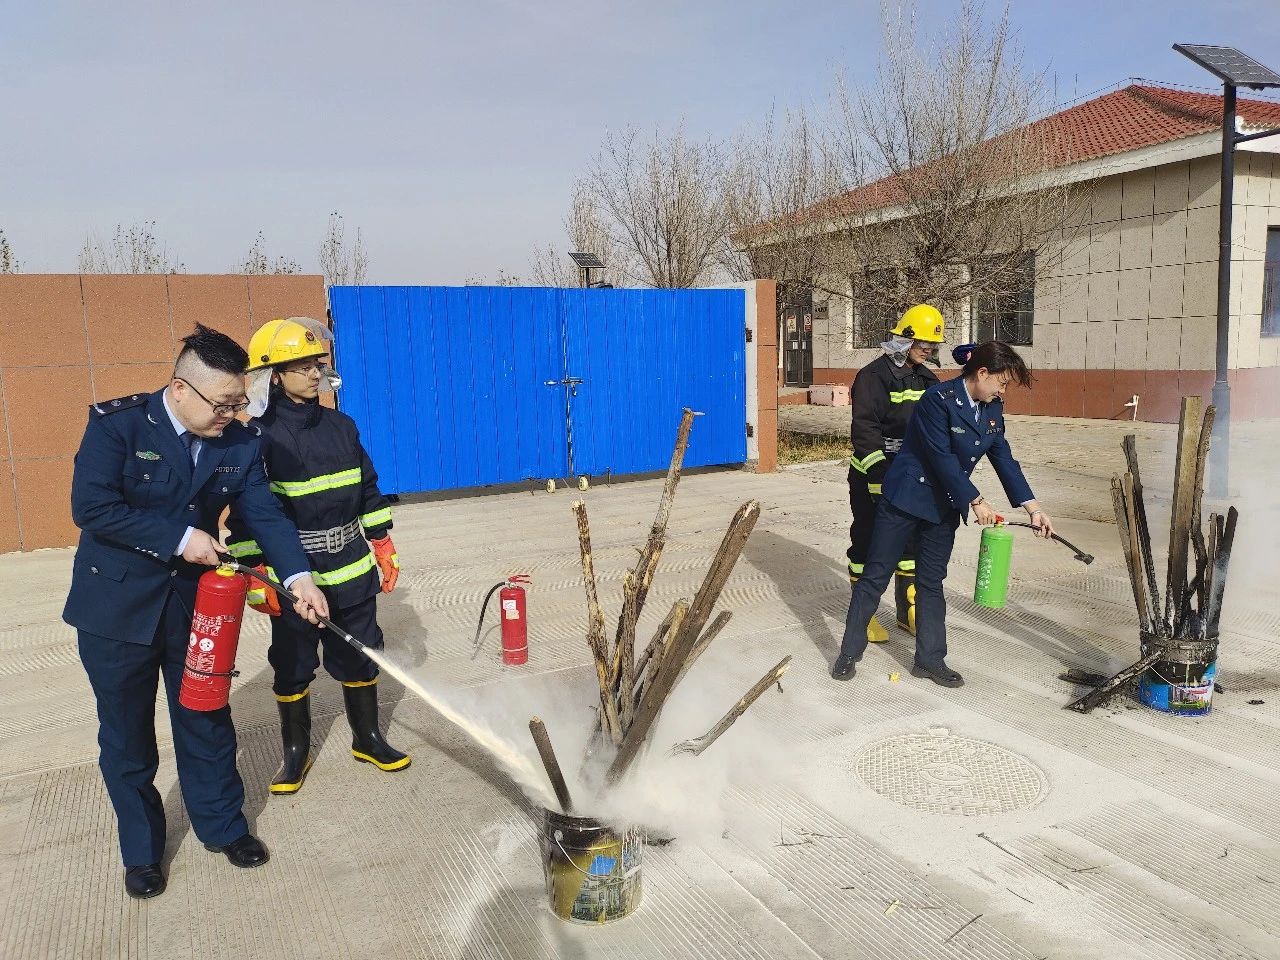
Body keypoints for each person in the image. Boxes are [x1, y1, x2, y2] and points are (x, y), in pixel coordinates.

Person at [63, 324, 330, 901]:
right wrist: (181, 538)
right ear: (181, 389)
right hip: (115, 611)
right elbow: (93, 508)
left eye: (239, 403)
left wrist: (299, 578)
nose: (232, 415)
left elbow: (264, 513)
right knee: (127, 737)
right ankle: (142, 852)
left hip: (194, 607)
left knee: (206, 719)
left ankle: (224, 827)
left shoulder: (239, 440)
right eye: (223, 404)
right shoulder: (117, 427)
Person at [227, 317, 409, 797]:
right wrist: (256, 573)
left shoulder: (342, 426)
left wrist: (382, 542)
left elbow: (367, 488)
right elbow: (247, 515)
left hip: (351, 566)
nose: (314, 373)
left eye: (317, 364)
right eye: (302, 366)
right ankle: (295, 752)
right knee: (292, 662)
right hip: (295, 576)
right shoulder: (257, 438)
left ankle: (368, 739)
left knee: (362, 652)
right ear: (274, 375)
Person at [830, 340, 1055, 687]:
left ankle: (930, 660)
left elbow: (1004, 458)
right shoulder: (937, 399)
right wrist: (976, 500)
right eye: (1002, 382)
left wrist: (1033, 508)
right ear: (982, 373)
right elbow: (941, 457)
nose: (1003, 391)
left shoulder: (992, 408)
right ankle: (848, 653)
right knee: (876, 575)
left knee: (931, 583)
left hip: (942, 507)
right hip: (905, 500)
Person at [847, 304, 942, 643]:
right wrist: (878, 476)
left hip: (910, 474)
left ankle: (907, 611)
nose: (927, 350)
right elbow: (865, 429)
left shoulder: (928, 379)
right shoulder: (873, 376)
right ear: (905, 339)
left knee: (912, 543)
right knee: (869, 542)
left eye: (932, 345)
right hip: (873, 472)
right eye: (922, 343)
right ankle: (863, 616)